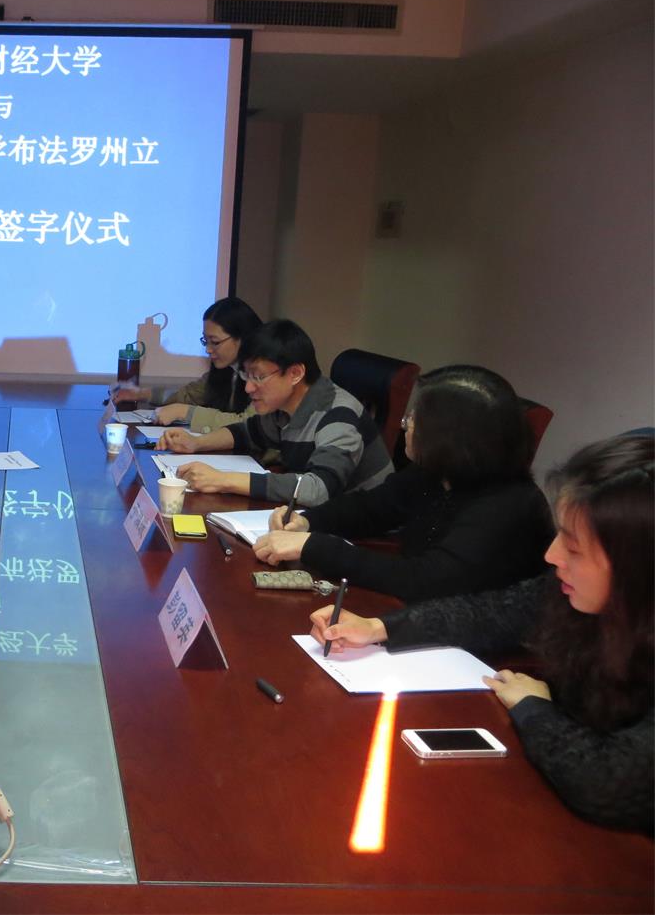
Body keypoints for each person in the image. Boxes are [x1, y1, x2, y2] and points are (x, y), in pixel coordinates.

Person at [310, 434, 654, 833]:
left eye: (574, 549)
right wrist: (379, 627)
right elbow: (491, 613)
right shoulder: (576, 594)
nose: (552, 555)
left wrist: (533, 709)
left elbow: (606, 784)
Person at [253, 365, 553, 602]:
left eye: (416, 418)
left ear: (451, 438)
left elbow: (426, 579)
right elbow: (372, 508)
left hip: (477, 646)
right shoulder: (436, 472)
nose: (405, 424)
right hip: (416, 614)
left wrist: (315, 547)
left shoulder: (508, 505)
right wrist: (307, 522)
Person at [156, 319, 393, 506]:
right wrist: (196, 443)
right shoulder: (286, 407)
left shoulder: (338, 414)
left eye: (258, 377)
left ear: (295, 374)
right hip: (316, 517)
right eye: (246, 375)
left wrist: (223, 480)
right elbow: (247, 433)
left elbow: (318, 489)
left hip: (366, 534)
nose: (249, 388)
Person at [114, 298, 264, 431]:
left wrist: (185, 412)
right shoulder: (227, 369)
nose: (208, 349)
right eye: (205, 341)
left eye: (215, 342)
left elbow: (250, 424)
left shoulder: (264, 373)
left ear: (242, 338)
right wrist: (140, 394)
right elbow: (189, 395)